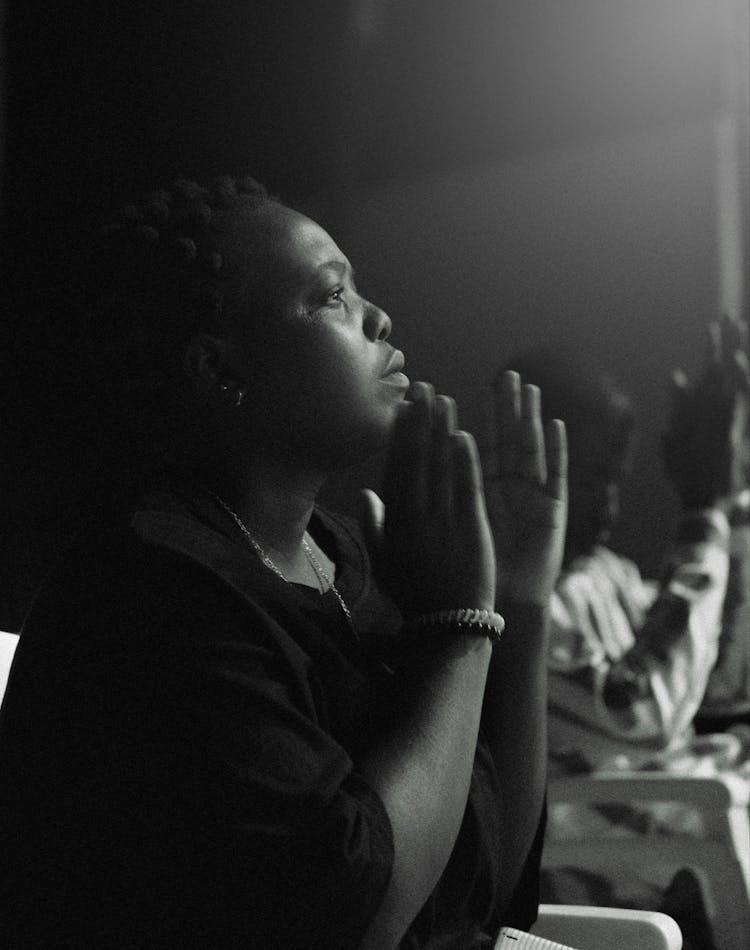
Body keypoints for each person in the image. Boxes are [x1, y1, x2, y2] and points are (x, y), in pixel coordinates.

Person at [0, 176, 567, 950]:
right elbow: (358, 917)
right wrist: (455, 628)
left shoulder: (345, 558)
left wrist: (522, 601)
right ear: (218, 368)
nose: (378, 316)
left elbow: (484, 886)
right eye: (330, 296)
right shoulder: (154, 596)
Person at [500, 318, 749, 776]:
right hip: (644, 843)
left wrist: (729, 503)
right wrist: (703, 511)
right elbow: (641, 715)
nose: (610, 505)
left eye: (617, 481)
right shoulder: (509, 611)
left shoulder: (604, 575)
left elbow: (712, 684)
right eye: (595, 479)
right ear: (524, 460)